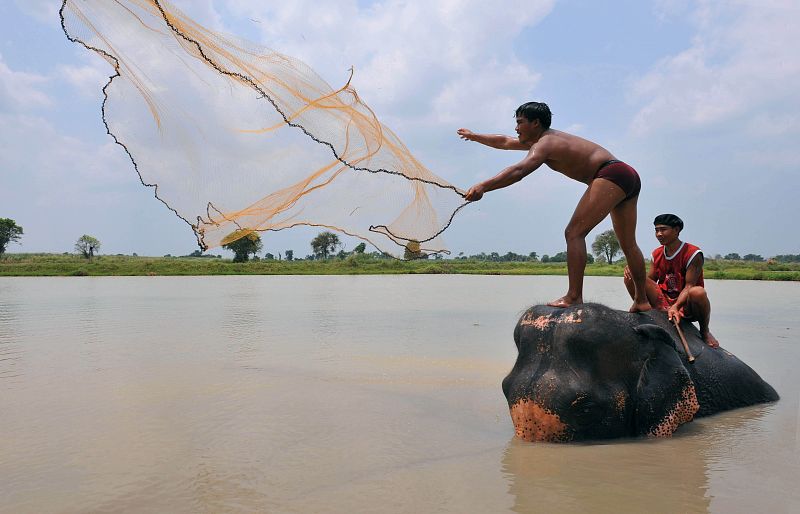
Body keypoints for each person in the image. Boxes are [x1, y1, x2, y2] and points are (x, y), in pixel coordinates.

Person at [460, 101, 650, 312]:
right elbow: (504, 141)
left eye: (520, 122)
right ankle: (642, 301)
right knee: (628, 244)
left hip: (610, 174)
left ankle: (574, 296)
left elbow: (519, 171)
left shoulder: (545, 143)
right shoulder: (543, 140)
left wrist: (483, 186)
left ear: (535, 123)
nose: (516, 128)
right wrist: (474, 136)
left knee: (574, 233)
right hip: (626, 175)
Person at [624, 214, 720, 348]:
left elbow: (689, 285)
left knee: (698, 292)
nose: (659, 234)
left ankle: (705, 331)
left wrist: (676, 306)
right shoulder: (657, 253)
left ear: (676, 230)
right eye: (656, 230)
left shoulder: (693, 253)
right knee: (632, 276)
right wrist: (636, 274)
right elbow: (650, 280)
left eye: (663, 230)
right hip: (663, 302)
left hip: (686, 303)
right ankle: (646, 312)